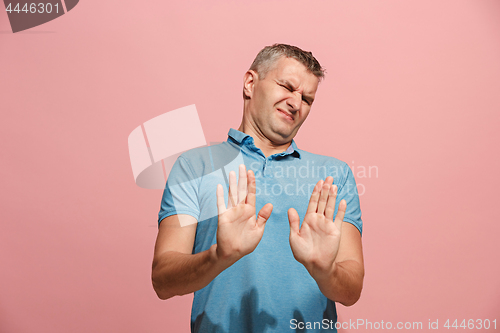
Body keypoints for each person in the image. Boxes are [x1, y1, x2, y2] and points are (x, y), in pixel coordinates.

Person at [152, 44, 364, 332]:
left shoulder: (333, 175)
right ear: (250, 83)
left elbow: (351, 291)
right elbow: (163, 280)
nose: (296, 102)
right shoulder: (194, 166)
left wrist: (324, 270)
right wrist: (219, 256)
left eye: (307, 99)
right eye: (287, 87)